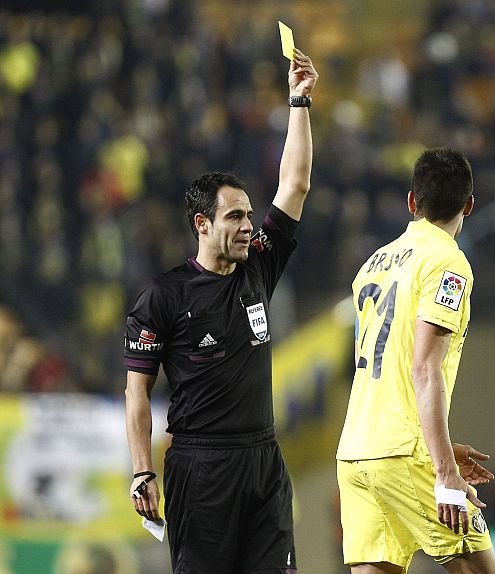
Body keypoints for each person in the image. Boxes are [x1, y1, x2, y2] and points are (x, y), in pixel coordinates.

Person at [123, 49, 318, 574]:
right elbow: (137, 391)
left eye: (250, 215)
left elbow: (295, 185)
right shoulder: (164, 297)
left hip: (263, 460)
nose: (248, 225)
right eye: (234, 216)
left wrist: (299, 101)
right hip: (199, 466)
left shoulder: (258, 267)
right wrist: (142, 471)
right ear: (202, 223)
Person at [336, 148, 495, 574]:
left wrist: (442, 447)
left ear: (412, 202)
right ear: (468, 204)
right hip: (404, 450)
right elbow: (423, 369)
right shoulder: (448, 263)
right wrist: (445, 469)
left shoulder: (370, 266)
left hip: (356, 450)